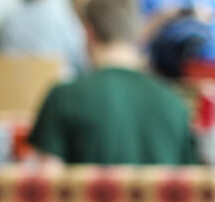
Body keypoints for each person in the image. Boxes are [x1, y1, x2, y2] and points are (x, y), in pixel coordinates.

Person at [28, 0, 197, 164]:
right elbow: (190, 186)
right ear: (136, 33)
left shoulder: (62, 98)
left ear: (89, 33)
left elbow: (47, 185)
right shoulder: (174, 104)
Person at [0, 0, 90, 76]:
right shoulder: (63, 19)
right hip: (54, 96)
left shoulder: (7, 20)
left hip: (12, 95)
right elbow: (81, 59)